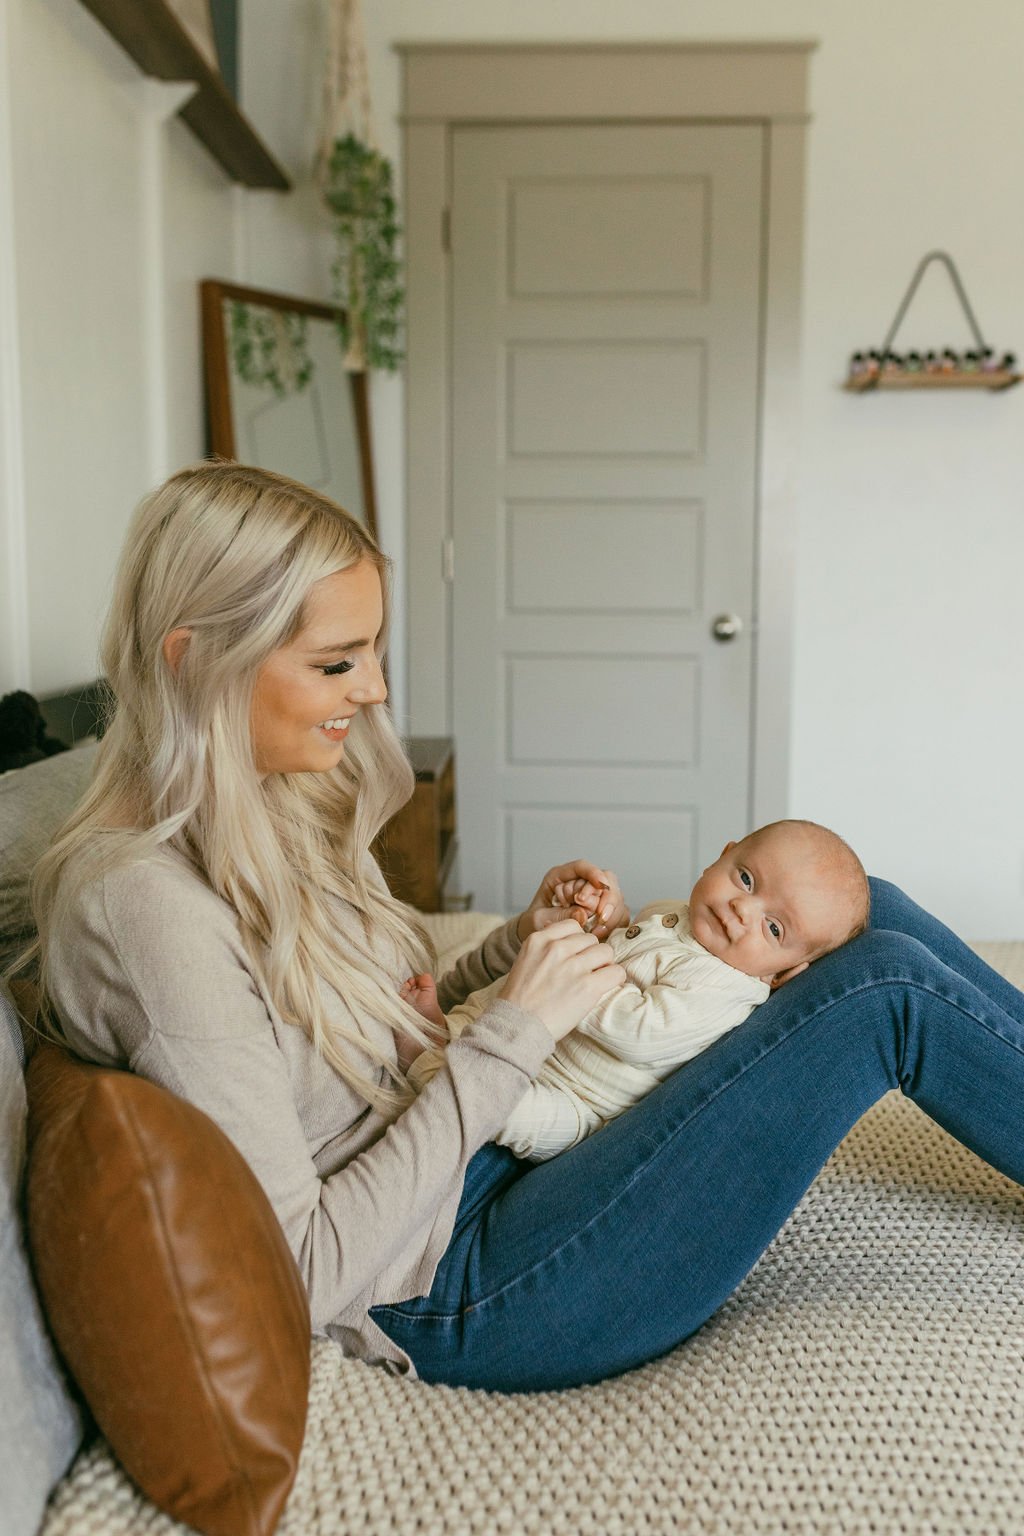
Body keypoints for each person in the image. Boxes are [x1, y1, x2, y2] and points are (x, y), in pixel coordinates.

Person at [30, 461, 1024, 1395]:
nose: (373, 692)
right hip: (454, 1276)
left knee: (860, 909)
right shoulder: (144, 912)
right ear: (196, 660)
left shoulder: (262, 805)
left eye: (374, 653)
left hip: (490, 1149)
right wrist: (518, 1030)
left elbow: (403, 1011)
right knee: (883, 985)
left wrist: (520, 947)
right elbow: (302, 1272)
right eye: (337, 662)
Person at [402, 820, 870, 1160]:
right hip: (533, 1035)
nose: (743, 909)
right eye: (745, 879)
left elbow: (642, 1029)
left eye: (772, 928)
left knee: (510, 1111)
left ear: (784, 975)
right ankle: (441, 1032)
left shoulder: (725, 990)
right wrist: (603, 924)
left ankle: (427, 1063)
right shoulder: (674, 911)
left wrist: (573, 970)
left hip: (576, 1097)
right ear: (722, 854)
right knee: (485, 1009)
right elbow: (633, 953)